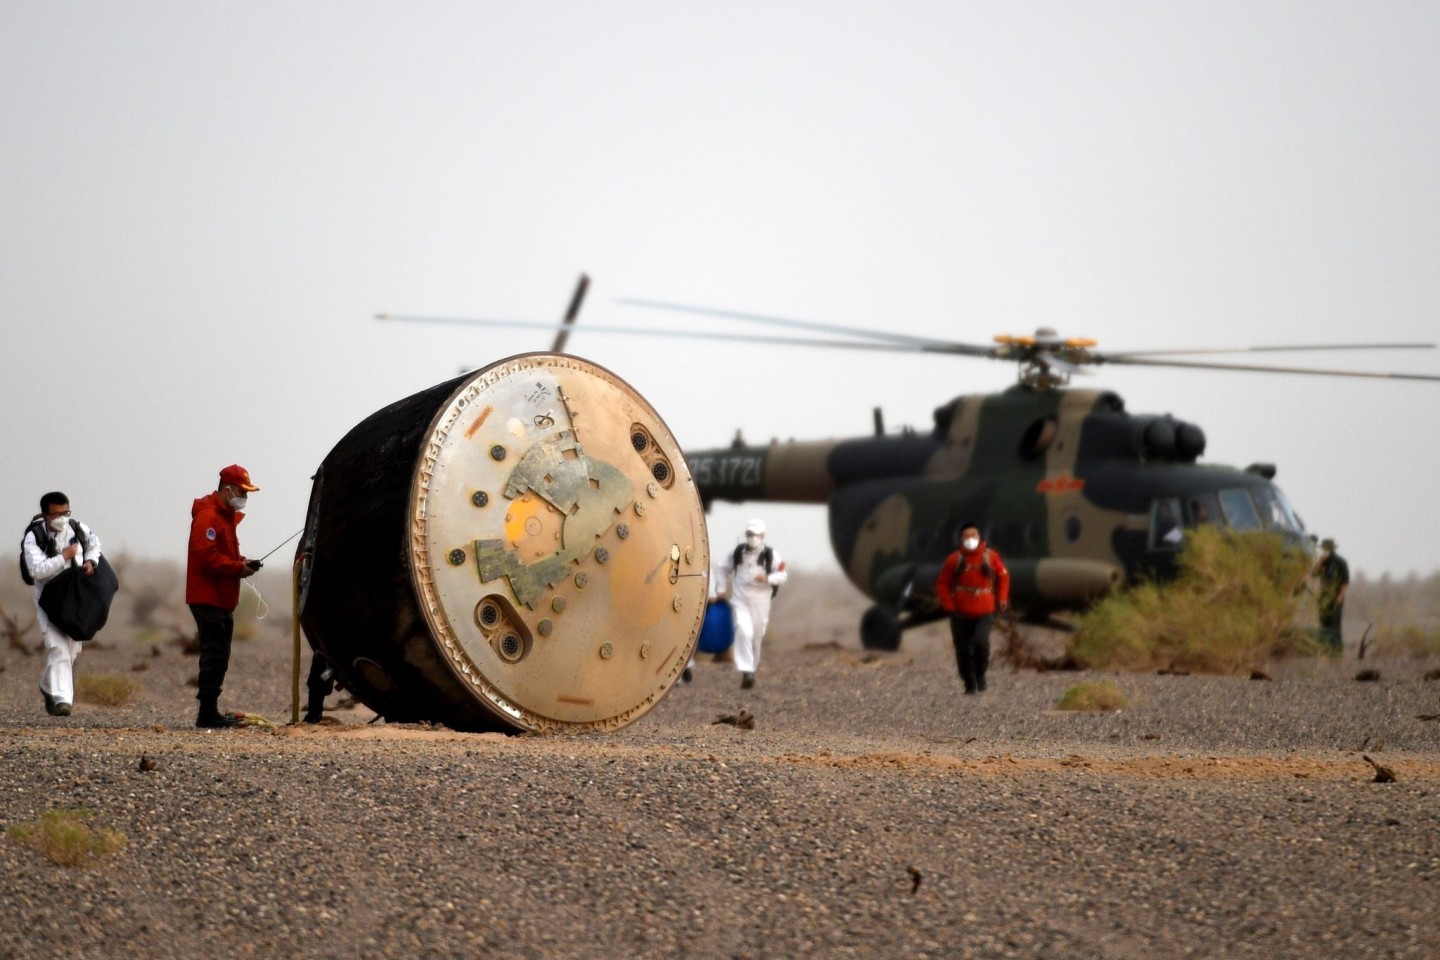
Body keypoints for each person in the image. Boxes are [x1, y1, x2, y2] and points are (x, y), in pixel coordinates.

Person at [186, 464, 262, 728]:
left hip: (221, 598)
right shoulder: (208, 517)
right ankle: (207, 714)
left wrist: (243, 562)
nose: (245, 498)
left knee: (219, 655)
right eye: (243, 491)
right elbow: (206, 558)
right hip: (207, 597)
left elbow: (223, 556)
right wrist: (237, 569)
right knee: (214, 655)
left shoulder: (225, 517)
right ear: (227, 489)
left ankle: (210, 711)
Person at [21, 492, 103, 717]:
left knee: (73, 649)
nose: (61, 518)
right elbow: (37, 570)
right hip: (49, 598)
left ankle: (49, 686)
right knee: (58, 648)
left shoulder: (77, 528)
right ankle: (63, 701)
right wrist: (64, 557)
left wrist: (89, 560)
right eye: (56, 514)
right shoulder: (34, 537)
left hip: (75, 597)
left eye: (65, 512)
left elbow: (95, 545)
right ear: (46, 515)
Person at [935, 522, 1010, 695]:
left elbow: (1003, 576)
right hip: (960, 612)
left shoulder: (991, 557)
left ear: (980, 537)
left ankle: (981, 673)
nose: (970, 539)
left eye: (973, 535)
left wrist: (1002, 597)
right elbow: (942, 584)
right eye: (966, 536)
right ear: (960, 539)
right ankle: (969, 682)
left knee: (981, 641)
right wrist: (949, 606)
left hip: (985, 610)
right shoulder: (954, 559)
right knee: (961, 649)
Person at [717, 518, 787, 689]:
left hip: (761, 602)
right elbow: (722, 568)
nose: (752, 537)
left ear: (762, 536)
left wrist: (768, 578)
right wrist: (720, 588)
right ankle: (746, 671)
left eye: (755, 535)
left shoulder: (770, 555)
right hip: (740, 601)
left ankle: (752, 668)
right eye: (749, 534)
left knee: (756, 635)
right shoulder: (738, 553)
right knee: (743, 630)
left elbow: (782, 575)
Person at [1312, 537, 1349, 655]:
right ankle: (1326, 649)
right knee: (1324, 623)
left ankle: (1337, 651)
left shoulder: (1340, 562)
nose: (1325, 551)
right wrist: (1320, 562)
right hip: (1323, 598)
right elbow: (1313, 574)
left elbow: (1345, 580)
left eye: (1327, 549)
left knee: (1335, 624)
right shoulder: (1322, 562)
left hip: (1336, 596)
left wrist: (1341, 595)